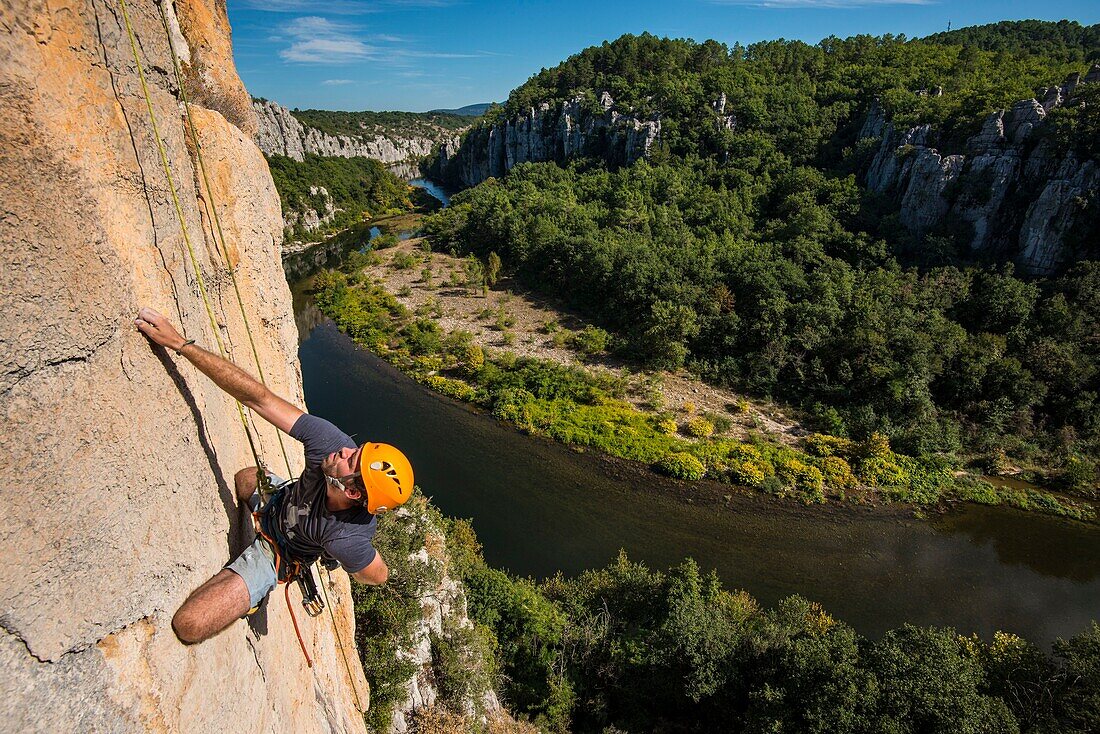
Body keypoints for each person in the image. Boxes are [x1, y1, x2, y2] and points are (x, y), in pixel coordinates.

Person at [134, 307, 413, 643]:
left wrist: (347, 559)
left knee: (190, 624)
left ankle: (253, 595)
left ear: (353, 492)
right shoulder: (330, 444)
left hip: (280, 555)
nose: (346, 450)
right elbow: (259, 398)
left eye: (352, 460)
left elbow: (377, 575)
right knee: (244, 479)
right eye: (358, 450)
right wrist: (181, 344)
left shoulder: (347, 538)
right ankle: (265, 512)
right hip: (280, 500)